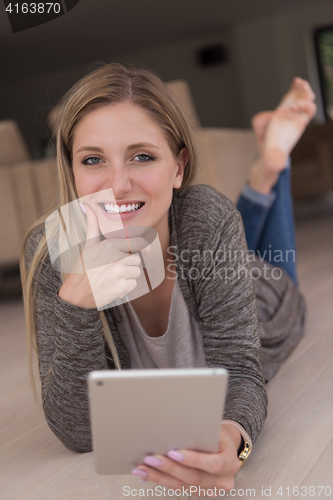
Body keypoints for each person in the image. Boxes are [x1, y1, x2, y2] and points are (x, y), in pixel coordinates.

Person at [20, 64, 316, 494]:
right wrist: (75, 307)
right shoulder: (53, 254)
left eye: (142, 156)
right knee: (221, 236)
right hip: (205, 248)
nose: (118, 184)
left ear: (179, 167)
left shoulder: (203, 218)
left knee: (268, 266)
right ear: (71, 170)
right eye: (92, 159)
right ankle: (265, 172)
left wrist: (234, 440)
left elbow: (242, 372)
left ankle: (272, 167)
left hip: (263, 292)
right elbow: (80, 432)